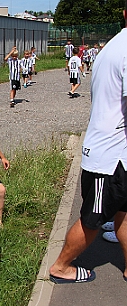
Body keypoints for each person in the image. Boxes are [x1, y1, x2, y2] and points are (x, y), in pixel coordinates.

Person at [49, 4, 127, 284]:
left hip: (117, 154)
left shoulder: (113, 47)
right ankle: (61, 266)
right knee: (93, 219)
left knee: (124, 213)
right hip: (109, 157)